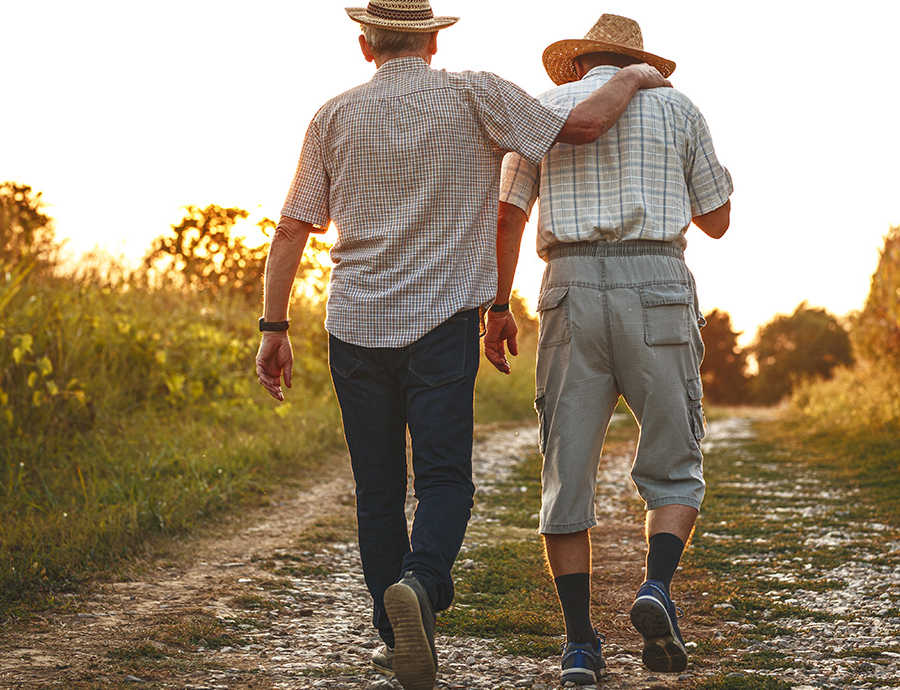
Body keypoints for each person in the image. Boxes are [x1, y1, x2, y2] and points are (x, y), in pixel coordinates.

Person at [253, 3, 671, 689]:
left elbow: (292, 228)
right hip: (441, 321)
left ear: (365, 45)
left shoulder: (332, 115)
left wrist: (274, 329)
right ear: (434, 37)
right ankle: (421, 583)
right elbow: (586, 126)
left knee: (377, 488)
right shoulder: (474, 92)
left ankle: (399, 636)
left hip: (353, 323)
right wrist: (634, 76)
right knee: (444, 477)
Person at [485, 13, 733, 686]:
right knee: (675, 458)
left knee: (566, 467)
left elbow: (508, 213)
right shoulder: (679, 109)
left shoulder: (541, 110)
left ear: (577, 64)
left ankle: (577, 646)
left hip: (565, 284)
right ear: (639, 62)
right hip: (655, 278)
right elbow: (717, 221)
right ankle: (655, 588)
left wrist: (497, 305)